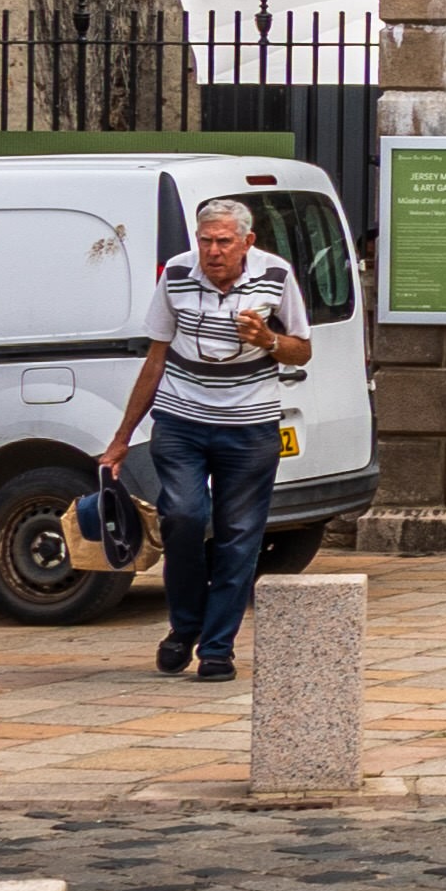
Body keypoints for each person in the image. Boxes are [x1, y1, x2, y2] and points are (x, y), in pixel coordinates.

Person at [99, 194, 314, 683]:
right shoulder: (177, 273)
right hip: (181, 421)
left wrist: (268, 341)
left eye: (223, 242)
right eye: (205, 241)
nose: (213, 251)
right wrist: (121, 438)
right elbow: (156, 358)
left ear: (247, 242)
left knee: (239, 538)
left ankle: (217, 647)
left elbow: (301, 351)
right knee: (183, 517)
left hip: (250, 427)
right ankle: (184, 628)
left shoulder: (276, 275)